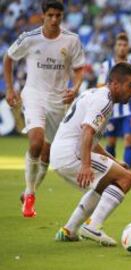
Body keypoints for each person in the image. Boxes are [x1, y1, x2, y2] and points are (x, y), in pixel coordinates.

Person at [3, 0, 85, 217]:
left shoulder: (72, 40)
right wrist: (10, 89)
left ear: (62, 16)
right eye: (51, 15)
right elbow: (9, 58)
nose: (55, 19)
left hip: (59, 100)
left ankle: (31, 190)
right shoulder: (30, 39)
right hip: (33, 94)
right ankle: (29, 195)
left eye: (58, 15)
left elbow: (79, 69)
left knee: (47, 155)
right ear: (43, 16)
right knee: (36, 142)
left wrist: (75, 87)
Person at [51, 62, 131, 246]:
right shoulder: (104, 100)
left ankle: (68, 230)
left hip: (60, 154)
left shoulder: (94, 94)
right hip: (71, 154)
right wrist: (85, 165)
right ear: (115, 84)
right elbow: (87, 132)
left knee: (106, 182)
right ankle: (93, 226)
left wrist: (114, 161)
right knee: (126, 179)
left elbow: (93, 142)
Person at [97, 32, 131, 169]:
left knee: (128, 140)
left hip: (129, 110)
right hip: (111, 111)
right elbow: (99, 86)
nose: (122, 47)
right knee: (111, 143)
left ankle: (128, 171)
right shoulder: (106, 65)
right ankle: (111, 171)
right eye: (119, 45)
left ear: (128, 47)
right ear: (115, 47)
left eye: (125, 45)